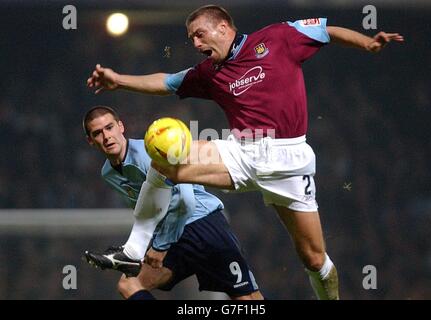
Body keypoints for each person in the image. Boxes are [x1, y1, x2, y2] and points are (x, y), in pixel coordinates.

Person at [86, 5, 404, 300]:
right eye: (190, 38)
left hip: (288, 159)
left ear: (223, 28)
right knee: (165, 163)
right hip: (243, 152)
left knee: (314, 258)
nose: (195, 43)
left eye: (199, 34)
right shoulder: (209, 72)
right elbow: (167, 82)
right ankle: (133, 249)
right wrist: (119, 81)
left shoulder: (277, 37)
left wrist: (366, 43)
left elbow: (326, 31)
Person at [83, 105, 263, 300]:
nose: (107, 136)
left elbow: (185, 201)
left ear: (121, 127)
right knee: (130, 284)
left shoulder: (150, 152)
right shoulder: (108, 173)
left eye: (109, 128)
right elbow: (151, 211)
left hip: (203, 225)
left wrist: (160, 246)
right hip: (173, 237)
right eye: (98, 133)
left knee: (248, 300)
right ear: (90, 140)